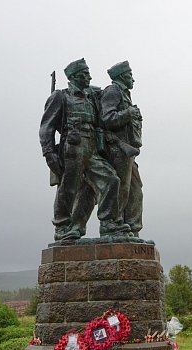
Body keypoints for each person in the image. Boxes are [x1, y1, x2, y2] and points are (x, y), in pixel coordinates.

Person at [39, 58, 131, 240]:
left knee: (111, 179)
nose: (89, 77)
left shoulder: (91, 95)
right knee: (69, 187)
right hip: (73, 146)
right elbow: (46, 128)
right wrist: (48, 153)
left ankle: (108, 223)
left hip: (92, 146)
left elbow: (108, 94)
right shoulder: (61, 96)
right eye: (84, 74)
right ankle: (62, 226)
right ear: (73, 77)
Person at [100, 61, 143, 237]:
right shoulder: (113, 91)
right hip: (117, 148)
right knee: (121, 187)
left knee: (135, 188)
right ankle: (115, 224)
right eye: (130, 74)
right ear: (122, 76)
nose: (133, 78)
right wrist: (129, 114)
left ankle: (132, 227)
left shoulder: (124, 94)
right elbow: (107, 118)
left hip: (128, 149)